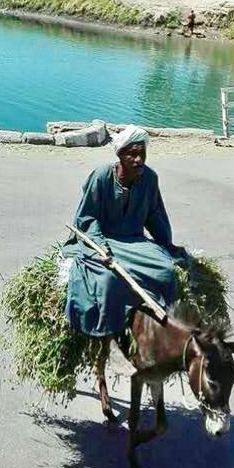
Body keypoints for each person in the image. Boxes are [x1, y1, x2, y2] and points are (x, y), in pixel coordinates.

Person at [62, 125, 186, 338]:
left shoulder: (150, 178)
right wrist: (101, 250)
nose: (139, 160)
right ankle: (111, 330)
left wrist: (166, 245)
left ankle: (154, 322)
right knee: (107, 281)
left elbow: (155, 214)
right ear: (120, 155)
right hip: (103, 239)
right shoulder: (101, 176)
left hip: (135, 241)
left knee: (166, 271)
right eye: (132, 154)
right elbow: (87, 218)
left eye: (142, 154)